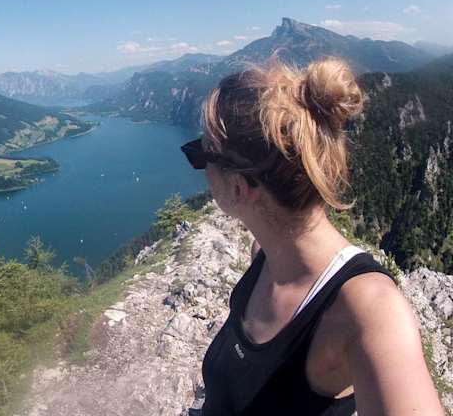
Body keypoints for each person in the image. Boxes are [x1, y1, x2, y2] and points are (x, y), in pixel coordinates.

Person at [180, 57, 444, 416]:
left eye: (200, 154)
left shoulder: (369, 309)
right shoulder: (264, 257)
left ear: (240, 186)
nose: (199, 166)